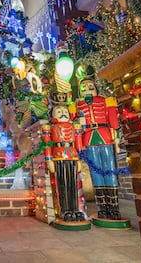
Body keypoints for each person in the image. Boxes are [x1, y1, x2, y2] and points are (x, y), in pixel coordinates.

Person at [69, 66, 122, 220]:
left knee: (110, 169)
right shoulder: (77, 105)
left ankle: (114, 207)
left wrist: (117, 139)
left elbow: (113, 119)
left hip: (104, 136)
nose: (87, 89)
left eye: (90, 86)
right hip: (89, 138)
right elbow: (74, 124)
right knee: (96, 172)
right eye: (84, 87)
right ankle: (102, 207)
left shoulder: (106, 101)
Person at [41, 92, 85, 223]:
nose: (63, 113)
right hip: (58, 155)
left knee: (73, 183)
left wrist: (80, 159)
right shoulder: (50, 127)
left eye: (64, 110)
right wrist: (49, 159)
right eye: (58, 111)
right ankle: (64, 209)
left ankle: (75, 209)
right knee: (62, 184)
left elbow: (79, 144)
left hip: (72, 155)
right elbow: (47, 145)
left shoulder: (74, 126)